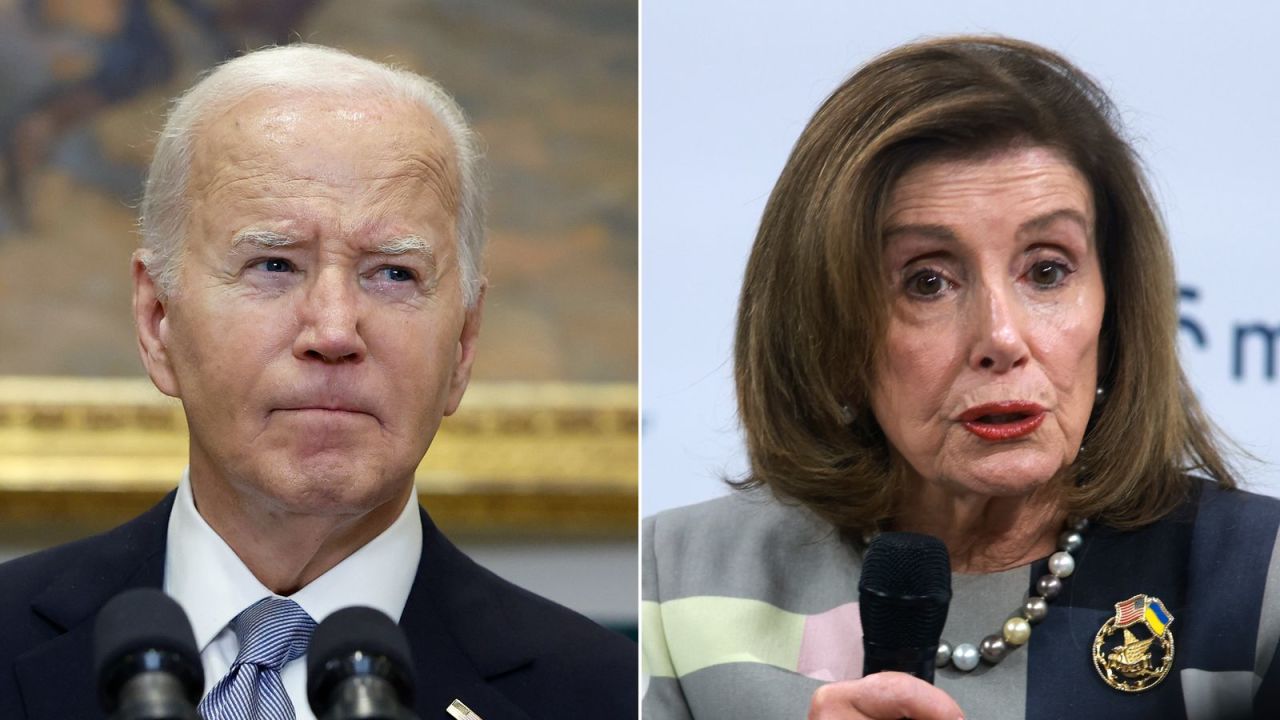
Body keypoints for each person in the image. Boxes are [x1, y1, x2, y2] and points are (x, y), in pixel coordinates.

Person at [642, 36, 1280, 720]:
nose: (1001, 339)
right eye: (927, 282)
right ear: (828, 325)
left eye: (1047, 270)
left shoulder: (1257, 584)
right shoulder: (674, 583)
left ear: (1114, 304)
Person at [0, 44, 635, 720]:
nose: (334, 332)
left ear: (464, 344)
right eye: (274, 264)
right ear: (158, 320)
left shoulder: (608, 695)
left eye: (394, 274)